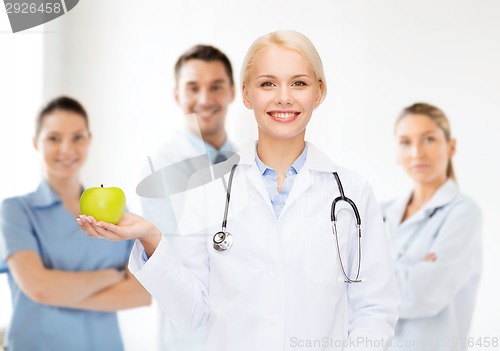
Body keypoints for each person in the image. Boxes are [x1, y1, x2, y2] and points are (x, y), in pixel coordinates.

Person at [78, 30, 399, 351]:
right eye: (267, 83)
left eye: (299, 83)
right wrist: (150, 237)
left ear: (319, 92)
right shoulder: (208, 188)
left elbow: (374, 307)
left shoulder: (352, 193)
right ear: (246, 94)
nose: (284, 97)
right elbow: (191, 312)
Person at [0, 96, 151, 351]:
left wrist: (57, 292)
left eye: (77, 137)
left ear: (89, 140)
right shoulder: (16, 211)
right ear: (37, 143)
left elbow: (141, 295)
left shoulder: (118, 211)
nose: (67, 149)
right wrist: (112, 276)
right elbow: (39, 289)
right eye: (54, 138)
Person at [138, 44, 237, 351]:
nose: (205, 99)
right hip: (191, 336)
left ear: (233, 92)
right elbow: (171, 260)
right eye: (193, 88)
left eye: (216, 87)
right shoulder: (159, 168)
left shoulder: (251, 161)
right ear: (177, 95)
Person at [381, 103, 482, 350]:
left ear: (451, 146)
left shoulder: (463, 212)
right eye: (405, 142)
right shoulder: (380, 213)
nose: (416, 152)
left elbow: (422, 294)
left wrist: (359, 281)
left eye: (428, 139)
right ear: (396, 152)